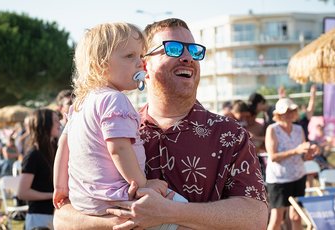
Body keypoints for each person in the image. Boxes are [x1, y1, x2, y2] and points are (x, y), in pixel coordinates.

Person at [53, 18, 268, 229]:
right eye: (173, 48)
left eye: (194, 51)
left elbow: (255, 217)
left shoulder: (230, 134)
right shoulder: (108, 122)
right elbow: (62, 219)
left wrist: (166, 212)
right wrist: (122, 221)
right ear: (144, 64)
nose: (187, 58)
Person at [53, 22, 183, 229]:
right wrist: (143, 184)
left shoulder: (79, 106)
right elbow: (119, 148)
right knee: (182, 212)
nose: (140, 62)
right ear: (100, 66)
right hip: (117, 196)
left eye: (140, 55)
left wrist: (60, 187)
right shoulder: (115, 100)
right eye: (129, 56)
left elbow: (63, 147)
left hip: (84, 200)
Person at [265, 98, 318, 230]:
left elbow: (304, 156)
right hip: (279, 180)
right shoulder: (272, 129)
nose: (288, 114)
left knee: (296, 216)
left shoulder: (299, 129)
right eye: (285, 111)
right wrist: (296, 151)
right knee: (276, 218)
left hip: (298, 176)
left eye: (291, 111)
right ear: (278, 114)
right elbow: (273, 157)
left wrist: (310, 153)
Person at [18, 109, 59, 230]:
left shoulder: (55, 149)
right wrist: (53, 195)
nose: (59, 124)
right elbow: (22, 192)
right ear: (45, 124)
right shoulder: (33, 155)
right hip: (39, 217)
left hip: (56, 215)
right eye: (56, 121)